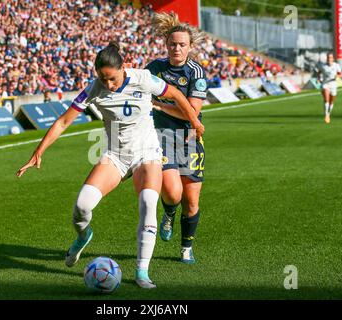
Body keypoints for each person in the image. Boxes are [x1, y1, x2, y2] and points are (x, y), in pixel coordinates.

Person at [16, 42, 204, 289]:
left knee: (148, 202)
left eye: (112, 79)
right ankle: (84, 236)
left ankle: (142, 272)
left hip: (147, 153)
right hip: (115, 155)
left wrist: (194, 122)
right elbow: (63, 122)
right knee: (81, 206)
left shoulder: (144, 79)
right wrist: (38, 152)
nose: (109, 85)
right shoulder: (94, 88)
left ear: (123, 68)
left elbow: (177, 95)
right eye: (103, 79)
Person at [145, 12, 207, 264]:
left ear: (190, 47)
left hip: (189, 138)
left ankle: (186, 248)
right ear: (166, 45)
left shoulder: (196, 72)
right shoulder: (154, 68)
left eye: (182, 44)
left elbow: (192, 111)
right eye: (172, 44)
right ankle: (169, 213)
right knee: (173, 193)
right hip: (161, 138)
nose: (177, 48)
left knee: (191, 201)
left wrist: (159, 105)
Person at [317, 52, 342, 124]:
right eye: (328, 57)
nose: (329, 59)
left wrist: (338, 76)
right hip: (325, 84)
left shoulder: (336, 65)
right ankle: (326, 115)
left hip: (333, 85)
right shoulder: (323, 66)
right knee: (326, 99)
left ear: (333, 58)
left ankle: (328, 114)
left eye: (330, 57)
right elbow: (319, 72)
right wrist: (319, 78)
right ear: (326, 58)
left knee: (331, 101)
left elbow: (341, 74)